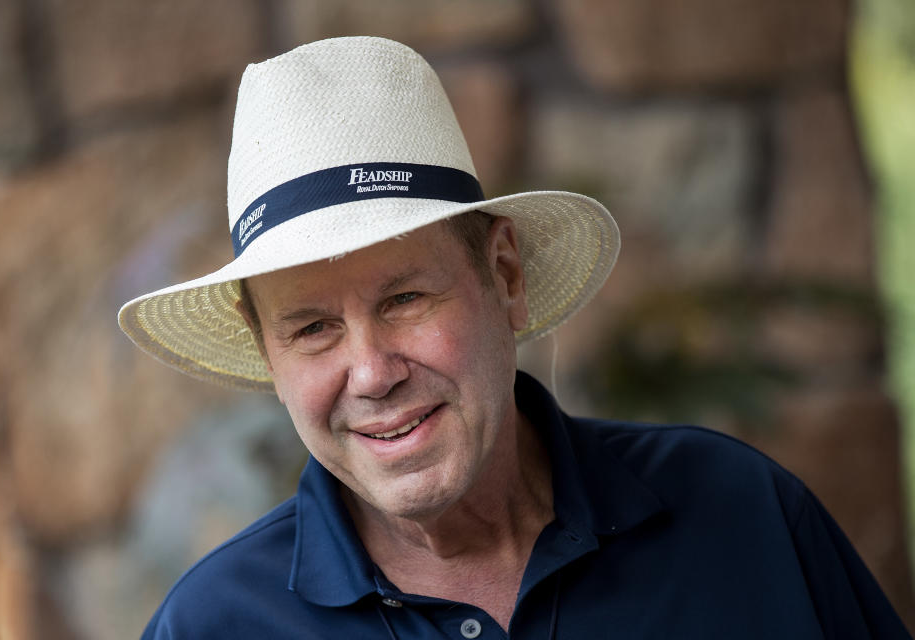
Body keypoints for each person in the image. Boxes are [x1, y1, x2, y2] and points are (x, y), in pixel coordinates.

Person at [118, 36, 911, 639]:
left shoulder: (743, 519)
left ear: (504, 276)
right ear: (269, 356)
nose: (370, 371)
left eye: (404, 299)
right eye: (313, 329)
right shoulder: (214, 624)